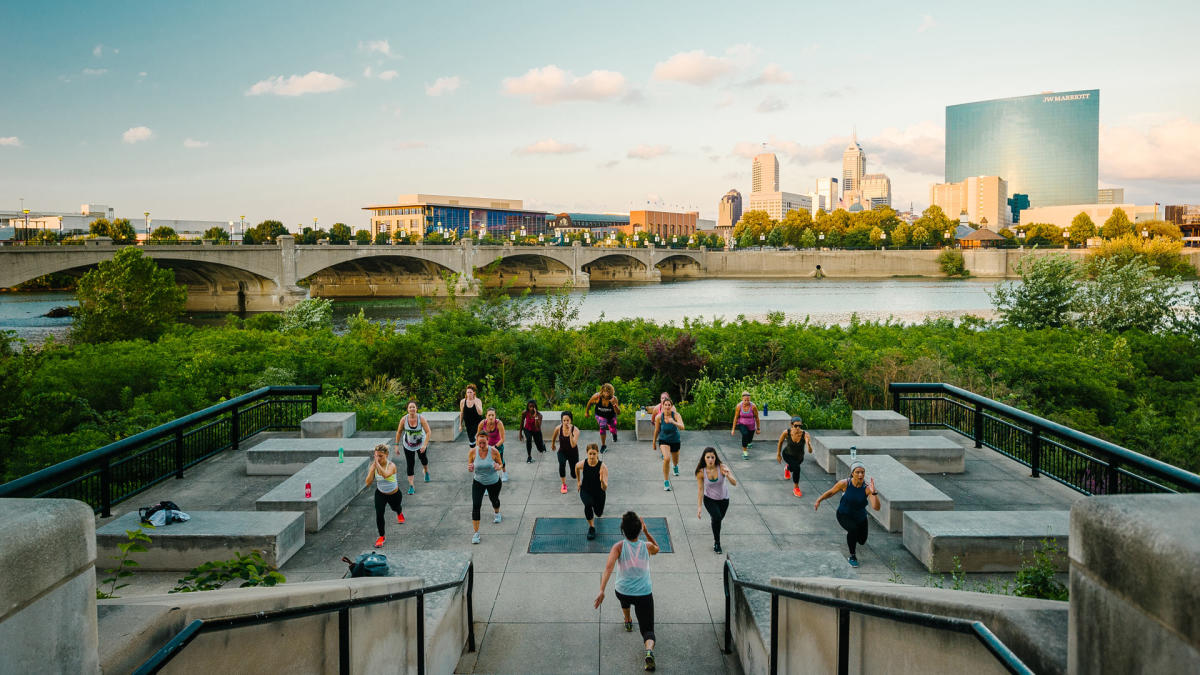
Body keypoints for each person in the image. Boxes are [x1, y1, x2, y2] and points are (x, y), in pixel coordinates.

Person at [594, 512, 661, 672]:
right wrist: (646, 532)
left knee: (624, 596)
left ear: (623, 530)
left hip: (622, 591)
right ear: (639, 530)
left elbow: (608, 568)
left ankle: (628, 620)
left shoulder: (618, 547)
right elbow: (657, 549)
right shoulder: (646, 546)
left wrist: (602, 590)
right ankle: (649, 651)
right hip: (644, 593)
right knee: (648, 630)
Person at [814, 461, 881, 567]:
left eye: (862, 472)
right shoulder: (845, 483)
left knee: (862, 541)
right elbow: (831, 492)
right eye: (857, 472)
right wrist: (819, 500)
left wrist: (874, 493)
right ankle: (852, 556)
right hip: (844, 514)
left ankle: (853, 537)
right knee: (852, 530)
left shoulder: (867, 488)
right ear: (852, 473)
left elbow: (876, 507)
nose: (860, 475)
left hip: (860, 517)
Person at [695, 447, 737, 553]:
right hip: (709, 499)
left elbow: (734, 482)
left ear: (715, 458)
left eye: (712, 457)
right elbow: (700, 489)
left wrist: (727, 475)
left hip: (724, 499)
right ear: (704, 458)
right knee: (717, 517)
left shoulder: (722, 467)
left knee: (717, 520)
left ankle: (715, 528)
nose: (710, 460)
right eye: (708, 457)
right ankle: (717, 543)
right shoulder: (701, 472)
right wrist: (699, 507)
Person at [467, 438, 505, 544]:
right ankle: (476, 533)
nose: (482, 445)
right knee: (476, 505)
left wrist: (499, 466)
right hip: (478, 482)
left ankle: (497, 513)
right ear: (477, 442)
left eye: (484, 443)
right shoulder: (473, 451)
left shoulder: (494, 451)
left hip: (493, 482)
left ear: (488, 441)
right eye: (480, 443)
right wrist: (470, 468)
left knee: (494, 500)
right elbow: (470, 466)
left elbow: (501, 464)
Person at [364, 444, 403, 548]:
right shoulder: (374, 466)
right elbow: (367, 483)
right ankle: (382, 537)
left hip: (394, 494)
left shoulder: (391, 466)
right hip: (380, 493)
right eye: (376, 456)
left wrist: (376, 464)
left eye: (380, 456)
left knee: (396, 507)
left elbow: (385, 474)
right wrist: (372, 469)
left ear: (387, 455)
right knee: (379, 513)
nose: (378, 458)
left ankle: (399, 513)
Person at [394, 401, 431, 494]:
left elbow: (428, 432)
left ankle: (426, 471)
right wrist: (396, 445)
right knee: (410, 464)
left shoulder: (421, 418)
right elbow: (399, 432)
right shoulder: (404, 419)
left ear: (416, 408)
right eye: (410, 407)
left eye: (413, 407)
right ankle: (411, 486)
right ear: (407, 409)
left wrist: (425, 445)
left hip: (420, 444)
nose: (412, 409)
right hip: (408, 445)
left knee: (423, 459)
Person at [576, 443, 609, 540]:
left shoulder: (603, 467)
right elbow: (576, 467)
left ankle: (597, 511)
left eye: (594, 454)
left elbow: (604, 488)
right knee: (588, 505)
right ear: (587, 453)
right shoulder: (583, 463)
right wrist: (578, 481)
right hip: (585, 490)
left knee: (598, 513)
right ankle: (592, 527)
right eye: (590, 454)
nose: (592, 456)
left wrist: (602, 480)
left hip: (599, 493)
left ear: (598, 453)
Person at [652, 398, 684, 491]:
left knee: (675, 460)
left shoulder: (676, 415)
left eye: (669, 405)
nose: (667, 406)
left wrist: (673, 421)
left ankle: (675, 466)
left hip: (675, 440)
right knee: (666, 458)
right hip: (663, 440)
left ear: (671, 406)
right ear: (662, 406)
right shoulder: (659, 417)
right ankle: (666, 481)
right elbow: (657, 430)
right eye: (665, 405)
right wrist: (654, 442)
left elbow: (682, 427)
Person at [775, 416, 812, 498]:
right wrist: (778, 454)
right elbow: (780, 442)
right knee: (797, 468)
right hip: (787, 454)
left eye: (800, 426)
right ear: (792, 425)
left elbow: (810, 451)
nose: (798, 428)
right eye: (796, 426)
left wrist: (808, 444)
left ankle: (787, 468)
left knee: (794, 467)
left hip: (799, 457)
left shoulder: (805, 434)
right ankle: (796, 488)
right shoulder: (786, 432)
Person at [551, 411, 581, 494]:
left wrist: (571, 433)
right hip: (562, 451)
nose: (565, 422)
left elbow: (573, 445)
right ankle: (563, 484)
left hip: (573, 453)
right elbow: (554, 436)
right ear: (562, 420)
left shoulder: (576, 430)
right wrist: (553, 444)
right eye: (564, 420)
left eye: (567, 420)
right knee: (562, 464)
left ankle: (573, 473)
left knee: (574, 474)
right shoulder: (558, 428)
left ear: (571, 420)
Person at [585, 383, 621, 453]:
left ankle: (614, 434)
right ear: (602, 391)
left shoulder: (614, 399)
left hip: (611, 416)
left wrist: (614, 405)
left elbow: (618, 413)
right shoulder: (597, 397)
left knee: (613, 427)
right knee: (602, 426)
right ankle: (603, 445)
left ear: (611, 392)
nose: (606, 393)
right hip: (600, 415)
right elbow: (589, 403)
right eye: (604, 391)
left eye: (608, 392)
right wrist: (587, 412)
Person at [477, 407, 508, 482]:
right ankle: (487, 481)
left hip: (498, 446)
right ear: (486, 416)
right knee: (487, 464)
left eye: (492, 415)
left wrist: (495, 447)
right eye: (489, 415)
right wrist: (478, 446)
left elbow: (503, 439)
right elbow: (478, 436)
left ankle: (504, 473)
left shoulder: (499, 423)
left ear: (495, 415)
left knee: (500, 461)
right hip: (486, 446)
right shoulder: (482, 423)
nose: (491, 417)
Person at [730, 391, 760, 460]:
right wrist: (733, 429)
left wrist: (758, 428)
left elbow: (757, 418)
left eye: (748, 400)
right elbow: (736, 417)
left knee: (749, 439)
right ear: (742, 399)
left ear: (750, 399)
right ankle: (745, 451)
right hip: (741, 423)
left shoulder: (753, 406)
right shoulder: (739, 406)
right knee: (745, 434)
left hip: (751, 425)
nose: (746, 402)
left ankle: (749, 442)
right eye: (745, 400)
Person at [518, 399, 546, 464]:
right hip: (527, 429)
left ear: (535, 407)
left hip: (536, 431)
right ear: (528, 407)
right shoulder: (524, 413)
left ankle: (542, 446)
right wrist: (520, 433)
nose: (531, 408)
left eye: (533, 407)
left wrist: (535, 417)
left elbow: (538, 427)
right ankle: (529, 457)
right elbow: (522, 422)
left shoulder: (539, 415)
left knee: (540, 449)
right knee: (529, 439)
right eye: (530, 406)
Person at [459, 384, 484, 449]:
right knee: (472, 443)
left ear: (474, 393)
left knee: (479, 441)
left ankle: (479, 456)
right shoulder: (462, 402)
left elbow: (480, 413)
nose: (469, 394)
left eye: (470, 392)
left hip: (478, 424)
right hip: (468, 424)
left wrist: (475, 403)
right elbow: (461, 413)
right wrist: (460, 425)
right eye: (468, 392)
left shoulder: (478, 401)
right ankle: (474, 455)